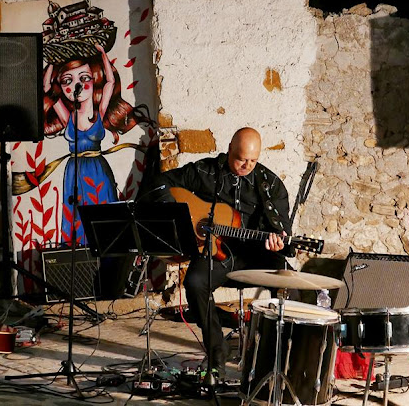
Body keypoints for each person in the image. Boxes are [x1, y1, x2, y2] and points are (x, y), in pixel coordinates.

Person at [141, 127, 293, 377]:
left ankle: (273, 357)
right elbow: (159, 183)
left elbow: (283, 230)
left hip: (256, 252)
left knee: (289, 283)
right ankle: (216, 350)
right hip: (218, 251)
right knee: (195, 281)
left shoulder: (271, 184)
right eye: (241, 158)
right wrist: (178, 216)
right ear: (230, 148)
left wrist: (280, 241)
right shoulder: (205, 171)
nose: (246, 165)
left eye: (253, 160)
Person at [43, 44, 146, 244]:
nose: (75, 86)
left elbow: (110, 81)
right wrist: (52, 62)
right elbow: (47, 88)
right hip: (75, 169)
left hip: (97, 168)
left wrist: (102, 55)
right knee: (77, 212)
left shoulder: (99, 111)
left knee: (103, 208)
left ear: (93, 80)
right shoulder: (68, 116)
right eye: (67, 81)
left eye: (84, 78)